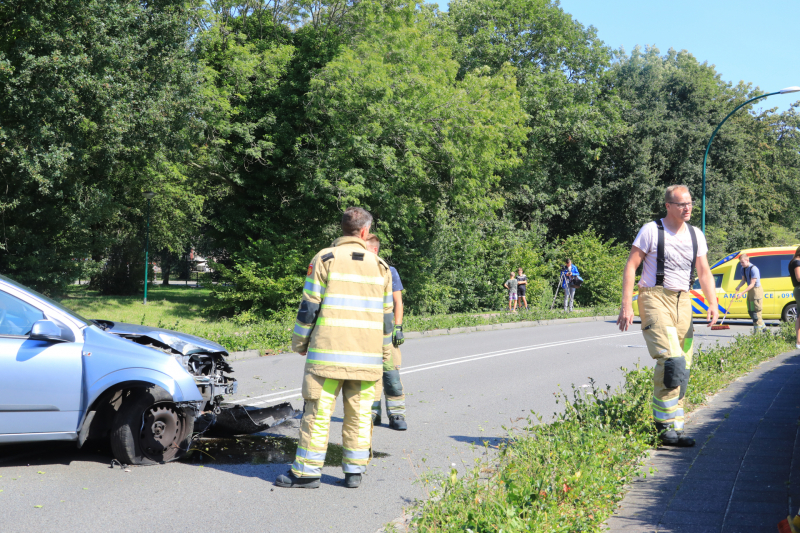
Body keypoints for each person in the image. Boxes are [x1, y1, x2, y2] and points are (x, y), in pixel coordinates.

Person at [276, 207, 394, 489]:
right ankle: (354, 471)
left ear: (343, 229)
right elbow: (387, 319)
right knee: (360, 415)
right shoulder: (381, 267)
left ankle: (306, 473)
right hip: (367, 360)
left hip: (326, 359)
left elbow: (309, 307)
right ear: (365, 232)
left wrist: (300, 342)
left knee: (317, 414)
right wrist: (385, 354)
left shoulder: (324, 258)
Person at [617, 185, 719, 447]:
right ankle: (662, 428)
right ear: (668, 206)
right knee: (672, 361)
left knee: (682, 366)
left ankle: (675, 426)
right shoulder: (651, 230)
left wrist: (713, 302)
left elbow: (704, 272)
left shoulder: (696, 234)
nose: (687, 208)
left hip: (683, 301)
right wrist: (627, 305)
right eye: (681, 204)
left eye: (690, 203)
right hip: (653, 297)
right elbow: (631, 265)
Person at [364, 234, 408, 431]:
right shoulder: (359, 271)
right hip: (366, 333)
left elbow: (398, 301)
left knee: (391, 375)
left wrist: (398, 327)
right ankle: (373, 413)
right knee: (369, 375)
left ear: (373, 249)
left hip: (386, 332)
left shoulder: (389, 271)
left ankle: (397, 413)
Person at [734, 253, 767, 333]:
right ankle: (763, 326)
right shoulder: (743, 269)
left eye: (742, 262)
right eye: (740, 262)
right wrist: (739, 286)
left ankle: (757, 332)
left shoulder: (754, 269)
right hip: (750, 290)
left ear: (747, 260)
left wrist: (741, 293)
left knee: (756, 311)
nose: (741, 264)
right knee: (751, 310)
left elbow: (752, 284)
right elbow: (743, 280)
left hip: (756, 290)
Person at [789, 246, 800, 349]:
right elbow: (799, 277)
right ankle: (798, 341)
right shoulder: (797, 262)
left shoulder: (795, 261)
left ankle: (798, 341)